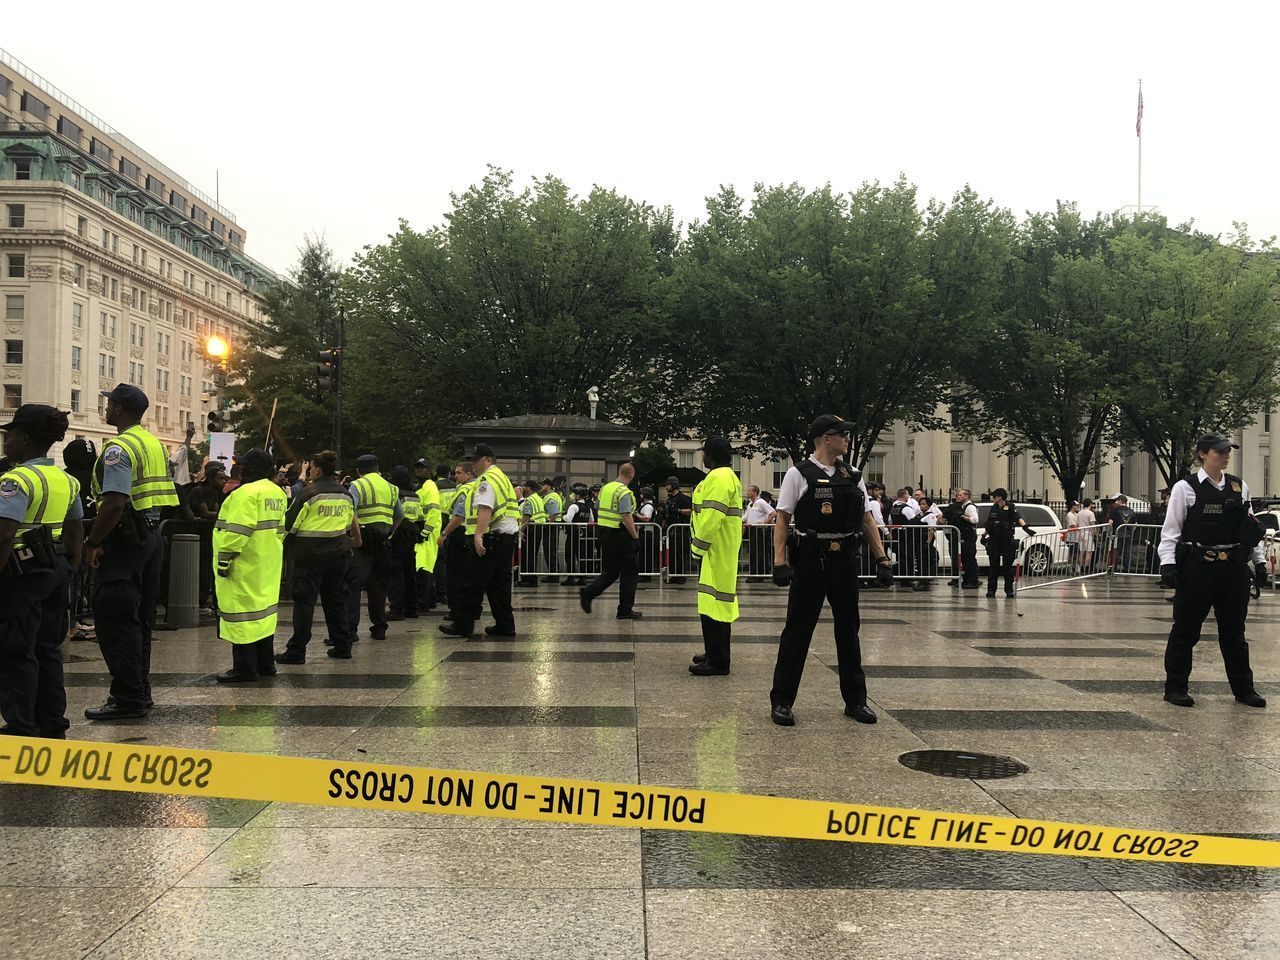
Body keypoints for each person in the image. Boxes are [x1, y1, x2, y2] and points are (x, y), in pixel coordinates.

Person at [769, 415, 894, 727]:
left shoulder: (852, 475)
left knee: (849, 631)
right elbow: (782, 519)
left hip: (844, 561)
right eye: (843, 435)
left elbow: (866, 519)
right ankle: (782, 701)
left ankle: (856, 701)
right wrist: (779, 562)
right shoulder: (798, 474)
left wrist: (882, 559)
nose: (848, 440)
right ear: (826, 438)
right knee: (797, 631)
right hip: (811, 560)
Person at [83, 384, 178, 721]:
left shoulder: (119, 448)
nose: (105, 408)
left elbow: (114, 502)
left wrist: (93, 541)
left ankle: (127, 698)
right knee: (139, 621)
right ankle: (139, 689)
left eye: (109, 404)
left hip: (125, 542)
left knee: (116, 619)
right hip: (150, 538)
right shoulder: (152, 443)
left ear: (120, 410)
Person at [1158, 433, 1268, 709]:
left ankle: (1244, 689)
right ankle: (1176, 687)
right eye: (1219, 451)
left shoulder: (1238, 487)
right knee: (1186, 629)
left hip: (1232, 567)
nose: (1225, 455)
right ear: (1203, 454)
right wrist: (1168, 564)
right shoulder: (1186, 488)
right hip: (1198, 566)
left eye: (1228, 451)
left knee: (1234, 632)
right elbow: (1171, 531)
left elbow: (1249, 528)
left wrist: (1260, 561)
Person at [0, 405, 83, 737]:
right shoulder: (66, 480)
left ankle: (21, 724)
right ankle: (52, 721)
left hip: (20, 573)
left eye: (9, 435)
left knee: (15, 649)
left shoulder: (15, 480)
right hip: (55, 569)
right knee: (47, 649)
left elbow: (5, 533)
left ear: (24, 439)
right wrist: (72, 565)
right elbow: (75, 528)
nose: (5, 441)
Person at [277, 450, 359, 663]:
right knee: (335, 601)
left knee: (304, 603)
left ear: (319, 469)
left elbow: (289, 525)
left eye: (312, 468)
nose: (310, 472)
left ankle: (297, 650)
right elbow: (349, 523)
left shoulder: (308, 494)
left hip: (309, 557)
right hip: (338, 555)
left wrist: (281, 545)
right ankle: (343, 645)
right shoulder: (345, 494)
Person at [212, 449, 286, 682]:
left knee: (241, 616)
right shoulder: (277, 492)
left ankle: (244, 667)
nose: (240, 470)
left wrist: (224, 560)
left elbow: (236, 532)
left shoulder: (244, 494)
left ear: (251, 469)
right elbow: (280, 530)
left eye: (243, 466)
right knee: (263, 616)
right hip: (267, 562)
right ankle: (266, 664)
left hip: (243, 563)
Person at [441, 444, 519, 638]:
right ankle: (505, 625)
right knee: (498, 586)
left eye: (476, 460)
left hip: (491, 538)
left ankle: (463, 625)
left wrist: (478, 535)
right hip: (506, 537)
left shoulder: (487, 479)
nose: (473, 464)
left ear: (488, 460)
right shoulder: (501, 477)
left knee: (471, 583)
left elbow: (485, 508)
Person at [687, 438, 742, 675]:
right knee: (711, 605)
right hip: (716, 550)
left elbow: (711, 519)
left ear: (710, 455)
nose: (702, 457)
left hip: (714, 550)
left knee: (717, 607)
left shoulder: (719, 478)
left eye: (704, 453)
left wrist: (697, 548)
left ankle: (719, 661)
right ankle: (713, 652)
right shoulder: (720, 477)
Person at [345, 454, 402, 641]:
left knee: (353, 585)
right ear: (378, 468)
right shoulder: (392, 488)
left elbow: (350, 512)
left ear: (358, 471)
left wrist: (357, 537)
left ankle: (350, 630)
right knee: (378, 586)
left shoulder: (358, 485)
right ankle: (379, 627)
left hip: (363, 542)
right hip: (383, 542)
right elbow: (399, 516)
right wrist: (389, 534)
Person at [579, 463, 643, 620]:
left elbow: (598, 507)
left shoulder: (605, 488)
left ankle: (589, 592)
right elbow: (626, 515)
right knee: (630, 573)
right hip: (620, 535)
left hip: (604, 533)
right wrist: (635, 537)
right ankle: (625, 610)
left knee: (611, 571)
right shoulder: (624, 492)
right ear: (631, 475)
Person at [437, 463, 475, 625]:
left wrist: (444, 533)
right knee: (467, 577)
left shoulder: (465, 490)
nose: (456, 476)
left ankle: (457, 615)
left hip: (461, 536)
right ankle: (468, 612)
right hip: (471, 535)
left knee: (456, 577)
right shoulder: (477, 487)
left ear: (468, 474)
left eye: (459, 473)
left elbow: (458, 516)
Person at [387, 465, 422, 620]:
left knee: (396, 573)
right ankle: (411, 608)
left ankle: (396, 608)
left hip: (398, 535)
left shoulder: (396, 494)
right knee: (410, 573)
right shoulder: (415, 495)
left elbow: (394, 516)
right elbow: (421, 518)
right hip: (411, 536)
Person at [982, 487, 1032, 597]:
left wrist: (1025, 527)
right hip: (994, 540)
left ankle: (1009, 590)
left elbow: (1018, 518)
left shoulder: (1010, 507)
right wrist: (984, 535)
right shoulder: (993, 508)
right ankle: (991, 590)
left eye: (994, 496)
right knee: (993, 567)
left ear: (1000, 497)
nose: (993, 498)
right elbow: (990, 522)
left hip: (1006, 540)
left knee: (1007, 568)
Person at [414, 463, 442, 612]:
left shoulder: (429, 486)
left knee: (423, 565)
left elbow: (433, 511)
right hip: (427, 529)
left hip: (428, 531)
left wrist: (425, 532)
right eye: (417, 467)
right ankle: (430, 599)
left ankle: (424, 601)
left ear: (429, 470)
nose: (419, 470)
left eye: (422, 467)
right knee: (426, 565)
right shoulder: (423, 486)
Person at [942, 488, 981, 588]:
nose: (957, 496)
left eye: (960, 495)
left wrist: (963, 517)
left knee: (969, 558)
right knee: (964, 558)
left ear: (967, 496)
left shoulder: (969, 507)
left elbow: (974, 519)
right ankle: (967, 580)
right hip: (964, 535)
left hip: (968, 535)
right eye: (958, 495)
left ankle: (973, 581)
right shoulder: (963, 506)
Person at [889, 487, 924, 588]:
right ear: (905, 495)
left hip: (897, 534)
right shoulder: (906, 508)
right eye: (908, 495)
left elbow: (890, 521)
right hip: (906, 535)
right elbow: (913, 521)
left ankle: (902, 577)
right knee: (908, 557)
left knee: (901, 557)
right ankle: (907, 579)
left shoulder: (894, 507)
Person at [561, 482, 594, 586]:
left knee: (570, 555)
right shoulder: (588, 507)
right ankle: (582, 578)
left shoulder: (574, 506)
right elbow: (591, 520)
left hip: (573, 534)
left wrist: (563, 517)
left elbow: (568, 520)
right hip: (583, 535)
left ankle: (571, 578)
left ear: (578, 495)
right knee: (582, 556)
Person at [662, 476, 694, 583]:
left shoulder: (684, 498)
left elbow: (690, 511)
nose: (666, 487)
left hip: (681, 530)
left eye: (668, 485)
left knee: (679, 554)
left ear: (674, 485)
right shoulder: (669, 499)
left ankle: (680, 576)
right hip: (671, 530)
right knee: (672, 554)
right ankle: (673, 575)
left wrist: (679, 511)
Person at [744, 483, 776, 576]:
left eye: (749, 490)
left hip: (760, 530)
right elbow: (745, 517)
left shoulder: (761, 502)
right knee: (753, 552)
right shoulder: (750, 504)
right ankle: (754, 573)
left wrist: (765, 522)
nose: (748, 492)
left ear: (755, 492)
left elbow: (773, 513)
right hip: (752, 530)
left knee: (760, 552)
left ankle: (760, 573)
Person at [1110, 494, 1137, 572]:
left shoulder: (1115, 510)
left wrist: (1111, 532)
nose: (1117, 502)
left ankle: (1113, 569)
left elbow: (1110, 522)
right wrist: (1131, 531)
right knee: (1127, 553)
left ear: (1120, 501)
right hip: (1128, 535)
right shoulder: (1131, 511)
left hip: (1117, 534)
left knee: (1116, 552)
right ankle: (1126, 569)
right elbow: (1135, 524)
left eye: (1117, 501)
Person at [1077, 498, 1098, 572]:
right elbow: (1093, 525)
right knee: (1089, 552)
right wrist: (1096, 534)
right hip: (1088, 533)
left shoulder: (1079, 513)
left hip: (1080, 533)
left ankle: (1081, 568)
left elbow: (1077, 523)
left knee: (1082, 552)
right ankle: (1086, 568)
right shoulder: (1090, 513)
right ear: (1090, 504)